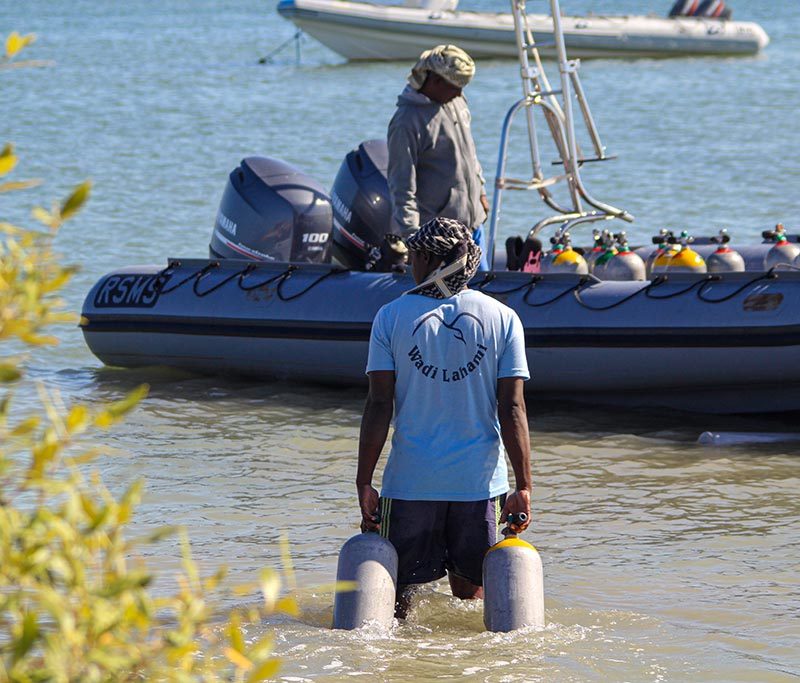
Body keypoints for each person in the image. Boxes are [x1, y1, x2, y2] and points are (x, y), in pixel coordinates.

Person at [356, 216, 532, 616]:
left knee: (397, 603)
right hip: (478, 485)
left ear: (426, 259)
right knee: (471, 600)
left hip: (410, 485)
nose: (408, 265)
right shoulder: (503, 318)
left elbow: (379, 404)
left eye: (412, 255)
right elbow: (513, 408)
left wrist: (364, 481)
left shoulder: (391, 316)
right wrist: (524, 486)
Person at [387, 45, 491, 269]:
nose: (460, 94)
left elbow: (469, 153)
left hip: (474, 227)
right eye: (456, 87)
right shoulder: (406, 122)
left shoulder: (455, 102)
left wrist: (481, 190)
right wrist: (413, 238)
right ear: (435, 81)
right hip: (441, 238)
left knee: (483, 291)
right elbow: (401, 184)